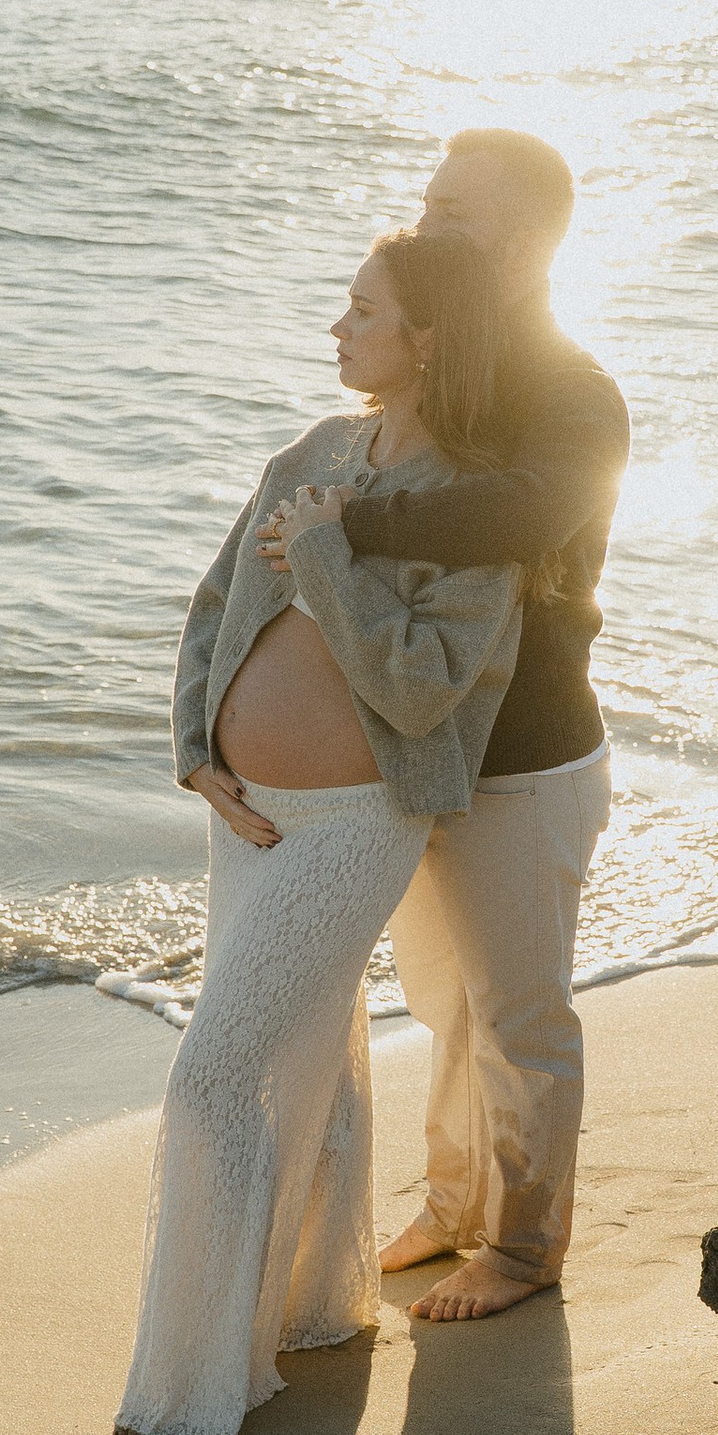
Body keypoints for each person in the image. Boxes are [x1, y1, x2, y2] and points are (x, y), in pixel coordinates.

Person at [114, 225, 523, 1435]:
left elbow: (418, 687)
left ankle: (197, 1377)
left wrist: (336, 556)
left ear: (430, 338)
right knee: (310, 1056)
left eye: (361, 311)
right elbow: (212, 605)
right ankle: (310, 1306)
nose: (336, 330)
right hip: (245, 817)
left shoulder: (473, 507)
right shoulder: (311, 450)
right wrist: (196, 750)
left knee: (211, 1081)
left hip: (357, 822)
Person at [255, 129, 628, 1324]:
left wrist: (348, 530)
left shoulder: (570, 388)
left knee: (520, 1013)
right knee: (444, 1003)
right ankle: (457, 1202)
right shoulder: (439, 368)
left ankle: (524, 1249)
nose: (424, 219)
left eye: (449, 205)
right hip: (413, 756)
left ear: (515, 234)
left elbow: (520, 513)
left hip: (524, 756)